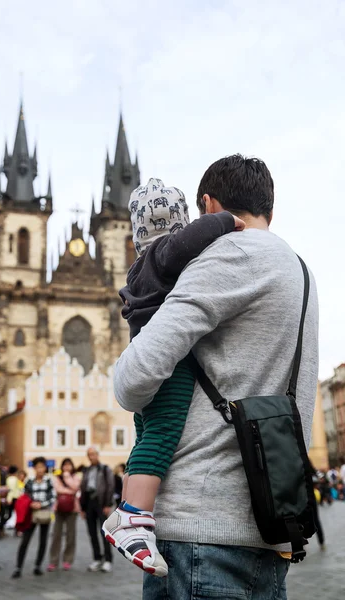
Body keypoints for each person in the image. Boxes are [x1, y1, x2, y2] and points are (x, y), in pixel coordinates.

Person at [114, 155, 319, 599]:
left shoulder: (227, 255)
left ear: (209, 205)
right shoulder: (300, 269)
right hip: (269, 522)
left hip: (200, 531)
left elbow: (133, 380)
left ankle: (130, 514)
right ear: (270, 208)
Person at [103, 178, 243, 575]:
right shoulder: (165, 255)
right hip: (169, 364)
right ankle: (133, 516)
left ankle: (128, 514)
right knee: (164, 433)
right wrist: (227, 220)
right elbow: (193, 237)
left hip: (142, 359)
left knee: (147, 436)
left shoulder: (136, 268)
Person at [12, 456, 55, 579]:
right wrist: (31, 504)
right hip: (31, 514)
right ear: (34, 468)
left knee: (43, 540)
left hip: (44, 513)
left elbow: (52, 497)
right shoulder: (29, 481)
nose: (40, 469)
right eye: (38, 467)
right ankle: (18, 567)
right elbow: (23, 496)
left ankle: (38, 566)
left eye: (42, 467)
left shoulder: (48, 481)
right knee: (25, 540)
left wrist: (42, 504)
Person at [80, 447, 114, 573]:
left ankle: (108, 560)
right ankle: (97, 558)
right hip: (89, 502)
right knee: (92, 532)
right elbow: (83, 488)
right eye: (89, 454)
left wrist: (108, 504)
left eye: (93, 454)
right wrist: (82, 507)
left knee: (104, 532)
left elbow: (110, 486)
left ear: (97, 455)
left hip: (101, 502)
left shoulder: (105, 469)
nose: (91, 456)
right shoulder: (87, 470)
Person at [48, 458, 80, 571]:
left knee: (71, 536)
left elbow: (76, 487)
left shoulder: (75, 477)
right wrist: (70, 491)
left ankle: (67, 560)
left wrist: (67, 477)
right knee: (56, 535)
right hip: (59, 508)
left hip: (72, 509)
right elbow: (57, 489)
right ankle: (53, 560)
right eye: (65, 465)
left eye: (69, 465)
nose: (67, 467)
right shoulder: (57, 477)